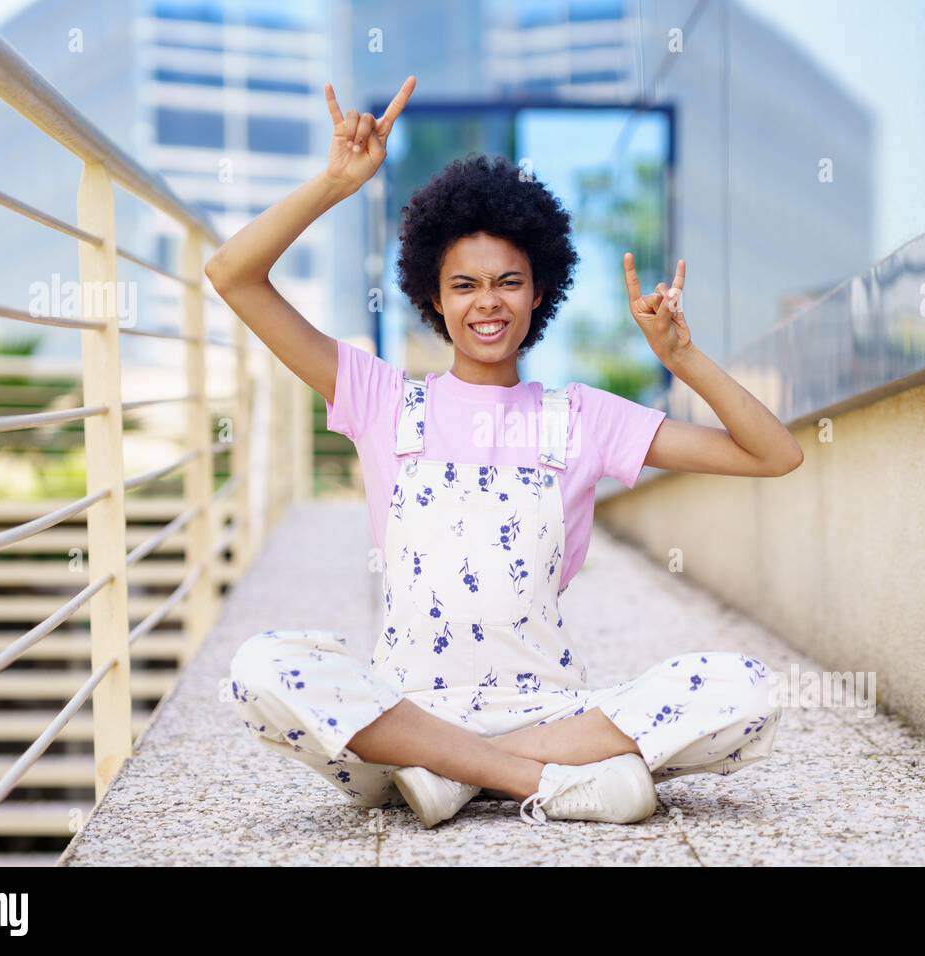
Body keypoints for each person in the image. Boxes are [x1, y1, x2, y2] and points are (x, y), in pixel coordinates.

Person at [207, 75, 804, 829]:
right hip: (403, 717)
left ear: (539, 291)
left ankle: (452, 774)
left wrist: (682, 358)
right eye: (463, 285)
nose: (486, 302)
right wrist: (335, 183)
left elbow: (773, 454)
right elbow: (232, 274)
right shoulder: (382, 397)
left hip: (551, 712)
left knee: (744, 688)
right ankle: (529, 779)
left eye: (507, 283)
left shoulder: (583, 417)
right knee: (261, 667)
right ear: (434, 297)